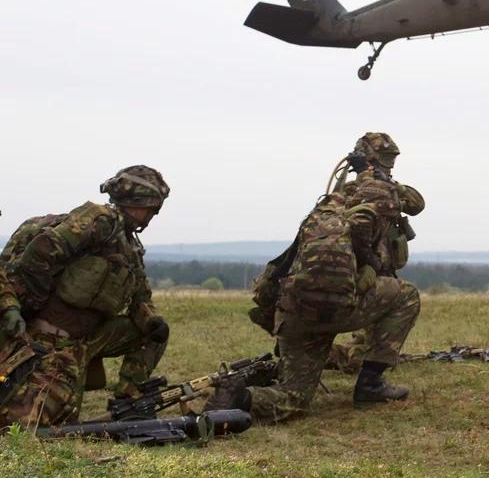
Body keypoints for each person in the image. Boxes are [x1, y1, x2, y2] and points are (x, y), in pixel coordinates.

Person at [210, 174, 419, 423]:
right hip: (338, 313)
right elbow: (383, 267)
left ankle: (241, 398)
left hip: (295, 318)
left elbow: (276, 272)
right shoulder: (367, 226)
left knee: (293, 398)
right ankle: (370, 385)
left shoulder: (319, 223)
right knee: (407, 295)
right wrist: (372, 264)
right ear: (384, 216)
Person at [0, 166, 171, 427]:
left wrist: (151, 320)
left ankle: (128, 402)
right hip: (50, 338)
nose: (152, 215)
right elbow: (42, 250)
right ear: (134, 202)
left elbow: (140, 298)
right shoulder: (100, 221)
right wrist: (33, 305)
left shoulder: (130, 246)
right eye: (150, 207)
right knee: (27, 424)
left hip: (88, 339)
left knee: (154, 333)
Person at [325, 132, 424, 374]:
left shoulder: (388, 188)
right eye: (384, 159)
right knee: (361, 358)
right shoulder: (351, 190)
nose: (389, 165)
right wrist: (366, 178)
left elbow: (417, 205)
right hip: (363, 269)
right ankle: (324, 355)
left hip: (385, 266)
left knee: (374, 336)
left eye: (391, 160)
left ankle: (349, 353)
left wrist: (390, 184)